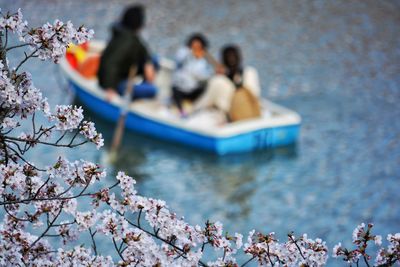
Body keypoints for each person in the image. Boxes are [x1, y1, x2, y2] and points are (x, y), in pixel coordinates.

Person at [97, 5, 157, 101]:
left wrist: (147, 62)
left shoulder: (128, 34)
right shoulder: (125, 41)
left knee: (154, 60)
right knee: (152, 90)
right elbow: (110, 63)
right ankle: (136, 91)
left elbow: (142, 49)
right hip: (116, 82)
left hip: (123, 73)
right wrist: (110, 88)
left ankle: (139, 86)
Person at [193, 44, 261, 119]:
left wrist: (193, 108)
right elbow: (255, 94)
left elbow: (205, 102)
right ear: (240, 58)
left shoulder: (218, 80)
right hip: (253, 112)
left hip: (232, 117)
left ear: (223, 62)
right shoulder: (251, 72)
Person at [171, 33, 214, 115]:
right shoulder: (183, 51)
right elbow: (178, 58)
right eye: (195, 44)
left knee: (204, 89)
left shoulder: (202, 61)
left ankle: (196, 109)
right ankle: (181, 110)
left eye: (199, 46)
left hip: (192, 90)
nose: (197, 47)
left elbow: (202, 75)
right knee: (175, 90)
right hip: (180, 88)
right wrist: (191, 52)